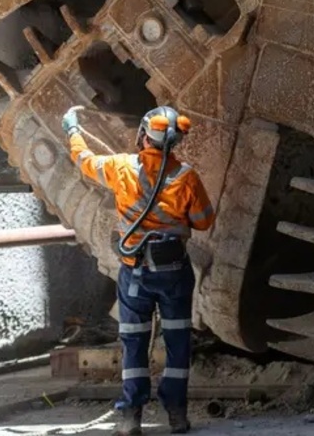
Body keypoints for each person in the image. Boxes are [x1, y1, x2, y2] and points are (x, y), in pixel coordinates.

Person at [61, 105, 216, 436]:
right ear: (174, 142)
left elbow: (84, 161)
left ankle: (131, 417)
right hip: (174, 273)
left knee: (133, 343)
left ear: (144, 135)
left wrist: (73, 131)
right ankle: (176, 414)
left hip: (135, 274)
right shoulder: (187, 177)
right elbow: (204, 221)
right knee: (178, 341)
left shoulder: (120, 167)